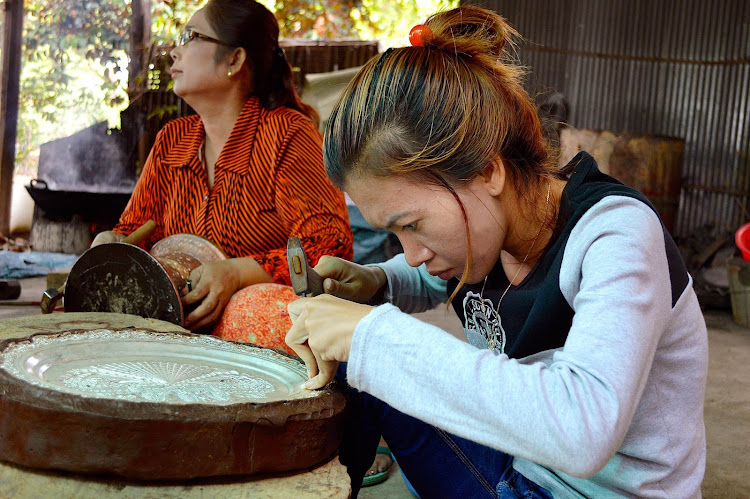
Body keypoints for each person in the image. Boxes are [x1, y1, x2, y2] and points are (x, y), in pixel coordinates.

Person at [285, 5, 707, 498]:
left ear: (487, 171)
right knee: (357, 372)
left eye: (412, 225)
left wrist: (371, 336)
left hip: (586, 490)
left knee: (371, 353)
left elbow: (584, 430)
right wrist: (380, 281)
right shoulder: (486, 232)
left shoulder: (615, 237)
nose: (414, 252)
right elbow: (428, 276)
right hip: (515, 465)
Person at [91, 0, 353, 331]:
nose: (175, 51)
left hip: (245, 333)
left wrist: (236, 273)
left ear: (234, 59)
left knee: (259, 309)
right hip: (172, 320)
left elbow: (329, 248)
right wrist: (114, 242)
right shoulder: (172, 139)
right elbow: (136, 232)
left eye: (191, 36)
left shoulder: (287, 135)